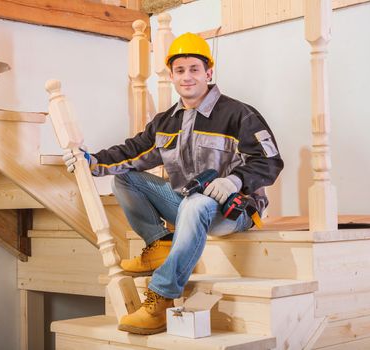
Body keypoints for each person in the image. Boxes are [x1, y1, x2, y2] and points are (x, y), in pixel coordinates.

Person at [63, 32, 284, 335]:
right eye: (180, 71)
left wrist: (234, 181)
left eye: (194, 69)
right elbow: (133, 152)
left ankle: (163, 297)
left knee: (197, 203)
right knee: (126, 179)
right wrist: (91, 162)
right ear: (172, 75)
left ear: (209, 72)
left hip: (235, 211)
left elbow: (270, 161)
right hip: (187, 203)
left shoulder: (239, 114)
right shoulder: (166, 121)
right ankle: (161, 244)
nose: (187, 77)